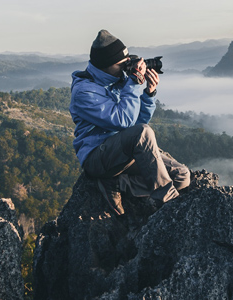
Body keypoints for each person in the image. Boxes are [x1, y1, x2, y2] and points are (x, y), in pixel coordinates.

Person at [69, 29, 190, 215]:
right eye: (122, 64)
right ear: (105, 65)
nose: (127, 67)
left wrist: (149, 94)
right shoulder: (85, 92)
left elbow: (135, 124)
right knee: (143, 132)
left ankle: (118, 184)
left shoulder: (118, 80)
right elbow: (124, 122)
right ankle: (168, 203)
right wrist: (133, 83)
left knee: (181, 176)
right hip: (97, 158)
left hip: (123, 153)